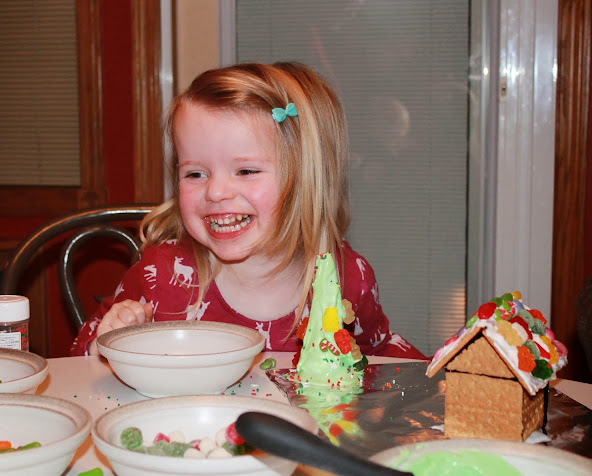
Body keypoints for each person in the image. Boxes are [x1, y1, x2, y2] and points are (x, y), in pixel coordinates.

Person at [70, 62, 426, 360]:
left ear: (306, 179)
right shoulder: (159, 276)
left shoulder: (348, 277)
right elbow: (78, 358)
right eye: (195, 173)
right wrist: (109, 344)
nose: (216, 191)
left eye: (246, 171)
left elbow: (383, 360)